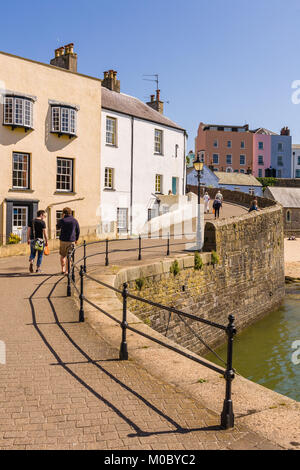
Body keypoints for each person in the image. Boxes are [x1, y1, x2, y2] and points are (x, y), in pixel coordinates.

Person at [57, 207, 80, 274]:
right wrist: (76, 239)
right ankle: (67, 271)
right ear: (70, 212)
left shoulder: (62, 220)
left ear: (63, 213)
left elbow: (57, 227)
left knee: (62, 255)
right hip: (71, 240)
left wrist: (62, 218)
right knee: (69, 256)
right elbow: (78, 231)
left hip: (63, 240)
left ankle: (63, 269)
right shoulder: (74, 220)